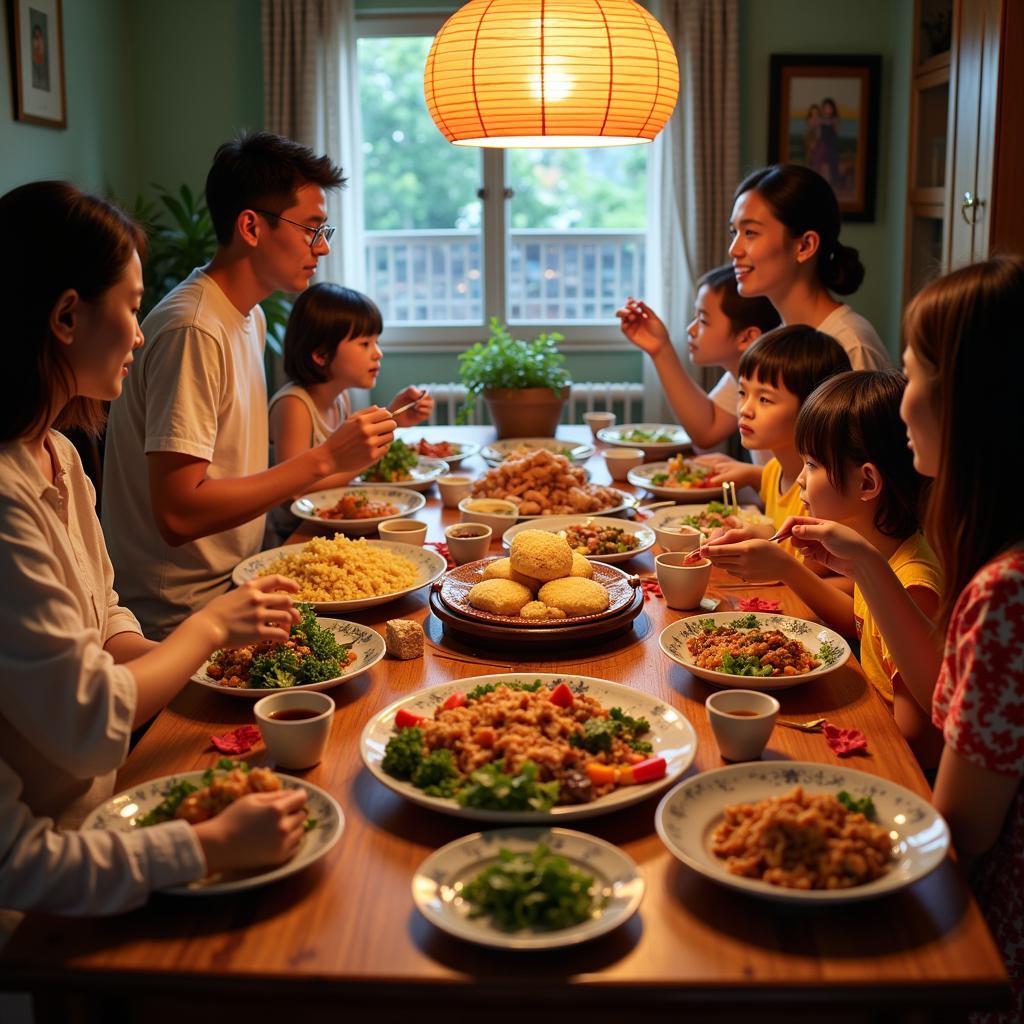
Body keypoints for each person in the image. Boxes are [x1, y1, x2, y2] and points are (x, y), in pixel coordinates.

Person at [0, 181, 310, 923]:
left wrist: (202, 650)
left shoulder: (58, 459)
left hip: (110, 810)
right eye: (132, 307)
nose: (139, 333)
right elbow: (85, 727)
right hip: (48, 901)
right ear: (68, 316)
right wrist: (209, 631)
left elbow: (103, 616)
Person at [786, 257, 1023, 1022]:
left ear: (968, 403)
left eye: (915, 370)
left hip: (984, 945)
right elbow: (944, 693)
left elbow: (960, 822)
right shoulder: (978, 547)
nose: (902, 395)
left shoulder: (1004, 588)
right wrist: (858, 559)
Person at [102, 132, 398, 638]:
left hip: (243, 581)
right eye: (311, 229)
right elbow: (178, 514)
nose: (322, 246)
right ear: (251, 227)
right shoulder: (193, 328)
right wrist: (325, 460)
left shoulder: (248, 315)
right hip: (182, 614)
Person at [702, 370, 943, 767]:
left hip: (901, 768)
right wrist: (790, 568)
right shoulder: (883, 554)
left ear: (867, 482)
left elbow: (915, 733)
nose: (799, 479)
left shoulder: (911, 580)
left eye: (812, 465)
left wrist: (822, 724)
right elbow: (859, 624)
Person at [267, 282, 434, 541]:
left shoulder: (339, 397)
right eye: (365, 343)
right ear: (321, 354)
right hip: (295, 534)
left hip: (329, 525)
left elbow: (343, 457)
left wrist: (394, 418)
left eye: (376, 342)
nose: (377, 353)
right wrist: (364, 460)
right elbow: (296, 491)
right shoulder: (294, 405)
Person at [728, 164, 889, 370]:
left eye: (750, 232)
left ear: (805, 246)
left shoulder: (850, 347)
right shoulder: (776, 341)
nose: (734, 250)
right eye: (734, 233)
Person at [615, 265, 779, 449]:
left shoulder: (781, 386)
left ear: (747, 337)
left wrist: (747, 472)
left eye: (703, 320)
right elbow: (706, 431)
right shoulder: (742, 375)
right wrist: (660, 349)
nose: (691, 329)